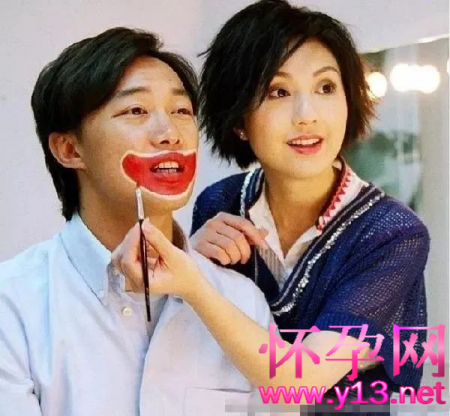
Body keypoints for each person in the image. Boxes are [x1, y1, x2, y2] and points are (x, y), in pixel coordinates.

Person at [0, 27, 274, 416]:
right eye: (136, 111)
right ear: (70, 149)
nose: (170, 134)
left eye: (181, 111)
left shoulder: (242, 302)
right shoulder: (12, 305)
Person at [187, 0, 429, 405]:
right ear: (239, 120)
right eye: (278, 91)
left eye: (326, 88)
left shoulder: (392, 234)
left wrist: (192, 280)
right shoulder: (220, 203)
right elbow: (191, 352)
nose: (307, 115)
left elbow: (298, 382)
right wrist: (192, 258)